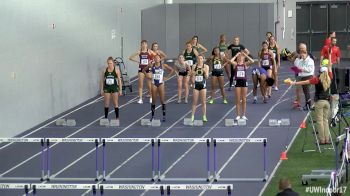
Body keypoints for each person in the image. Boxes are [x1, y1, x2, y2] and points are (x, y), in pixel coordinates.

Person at [287, 64, 332, 144]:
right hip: (327, 102)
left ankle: (322, 140)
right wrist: (329, 58)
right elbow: (330, 69)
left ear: (320, 72)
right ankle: (327, 139)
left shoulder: (317, 79)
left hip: (319, 102)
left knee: (320, 121)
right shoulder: (329, 78)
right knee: (325, 121)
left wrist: (293, 83)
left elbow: (305, 82)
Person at [143, 54, 174, 122]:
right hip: (154, 83)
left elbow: (172, 70)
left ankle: (164, 116)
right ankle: (152, 115)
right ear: (154, 59)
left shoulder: (163, 65)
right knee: (153, 101)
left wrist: (167, 77)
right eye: (155, 58)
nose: (157, 59)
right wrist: (147, 76)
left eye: (158, 58)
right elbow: (143, 70)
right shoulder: (152, 65)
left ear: (160, 59)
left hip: (161, 84)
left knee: (162, 100)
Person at [129, 40, 156, 104]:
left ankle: (151, 97)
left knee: (149, 84)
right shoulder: (139, 52)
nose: (144, 45)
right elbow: (130, 57)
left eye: (145, 44)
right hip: (141, 69)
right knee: (140, 84)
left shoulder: (149, 51)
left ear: (147, 45)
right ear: (141, 45)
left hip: (148, 68)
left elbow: (156, 56)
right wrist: (138, 61)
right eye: (142, 44)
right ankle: (140, 99)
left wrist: (151, 61)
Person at [230, 52, 254, 120]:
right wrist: (236, 55)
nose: (240, 57)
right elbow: (231, 61)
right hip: (237, 82)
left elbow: (252, 61)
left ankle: (243, 115)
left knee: (244, 99)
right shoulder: (235, 64)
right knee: (237, 99)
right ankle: (238, 115)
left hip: (244, 82)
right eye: (239, 56)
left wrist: (246, 55)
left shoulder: (245, 64)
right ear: (237, 58)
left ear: (244, 58)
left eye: (242, 56)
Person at [100, 57, 123, 121]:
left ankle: (117, 117)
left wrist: (120, 90)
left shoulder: (116, 70)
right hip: (107, 88)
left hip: (114, 88)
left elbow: (119, 80)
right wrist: (101, 89)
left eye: (110, 63)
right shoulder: (104, 70)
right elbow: (102, 80)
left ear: (113, 63)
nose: (109, 64)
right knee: (106, 103)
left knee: (115, 103)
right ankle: (106, 118)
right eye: (108, 63)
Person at [293, 43, 315, 110]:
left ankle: (308, 105)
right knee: (305, 91)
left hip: (308, 76)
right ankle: (307, 104)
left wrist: (302, 69)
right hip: (302, 76)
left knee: (306, 91)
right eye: (301, 53)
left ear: (306, 53)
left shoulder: (310, 60)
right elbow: (296, 66)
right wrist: (297, 59)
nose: (302, 54)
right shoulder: (300, 60)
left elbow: (310, 69)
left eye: (303, 53)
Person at [191, 54, 210, 122]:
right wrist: (194, 73)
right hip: (196, 85)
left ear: (203, 59)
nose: (199, 60)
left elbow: (207, 77)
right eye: (198, 58)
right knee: (194, 102)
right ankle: (192, 116)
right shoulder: (194, 66)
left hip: (203, 86)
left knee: (203, 102)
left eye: (201, 58)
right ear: (197, 59)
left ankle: (204, 116)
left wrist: (204, 71)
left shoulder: (206, 66)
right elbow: (192, 77)